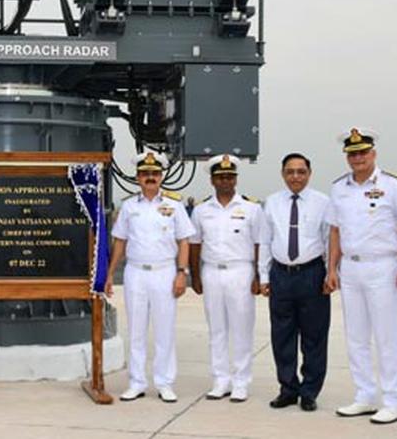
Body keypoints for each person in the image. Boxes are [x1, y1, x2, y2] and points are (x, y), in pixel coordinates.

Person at [324, 127, 397, 425]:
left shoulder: (393, 185)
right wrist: (331, 269)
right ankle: (364, 396)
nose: (358, 158)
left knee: (386, 336)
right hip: (351, 267)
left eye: (363, 152)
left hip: (382, 265)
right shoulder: (339, 188)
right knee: (356, 336)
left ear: (373, 154)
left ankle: (393, 400)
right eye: (352, 153)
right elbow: (335, 231)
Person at [105, 150, 195, 403]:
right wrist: (111, 274)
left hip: (164, 272)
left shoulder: (175, 206)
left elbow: (184, 242)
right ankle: (136, 382)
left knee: (164, 330)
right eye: (145, 174)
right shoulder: (129, 207)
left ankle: (165, 383)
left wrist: (181, 273)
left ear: (162, 176)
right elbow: (120, 242)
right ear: (138, 177)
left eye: (155, 173)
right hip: (135, 272)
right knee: (136, 331)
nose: (150, 177)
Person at [258, 152, 331, 412]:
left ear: (309, 174)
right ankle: (288, 389)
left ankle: (309, 391)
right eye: (290, 171)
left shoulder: (323, 202)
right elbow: (265, 241)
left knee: (314, 337)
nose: (295, 176)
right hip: (281, 274)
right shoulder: (272, 202)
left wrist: (331, 273)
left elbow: (330, 240)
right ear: (283, 174)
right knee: (282, 336)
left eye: (301, 171)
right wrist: (264, 277)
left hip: (312, 274)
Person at [189, 154, 263, 402]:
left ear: (236, 179)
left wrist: (259, 275)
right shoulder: (201, 210)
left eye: (230, 177)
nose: (225, 181)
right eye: (220, 177)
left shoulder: (252, 208)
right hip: (211, 271)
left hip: (241, 271)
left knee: (242, 329)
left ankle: (241, 381)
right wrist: (195, 276)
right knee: (216, 329)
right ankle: (220, 380)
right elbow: (195, 244)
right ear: (212, 180)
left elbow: (259, 244)